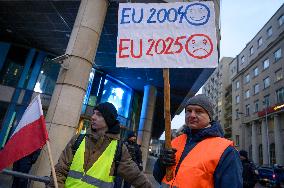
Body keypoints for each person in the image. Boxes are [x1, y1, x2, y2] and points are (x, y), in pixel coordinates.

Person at [48, 102, 152, 188]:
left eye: (99, 115)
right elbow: (60, 171)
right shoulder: (78, 139)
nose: (93, 117)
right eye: (94, 113)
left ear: (109, 119)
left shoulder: (118, 149)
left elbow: (136, 177)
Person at [153, 94, 243, 188]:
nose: (192, 115)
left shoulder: (226, 151)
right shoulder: (175, 142)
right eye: (189, 111)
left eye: (199, 111)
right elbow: (158, 177)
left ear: (209, 117)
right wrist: (161, 163)